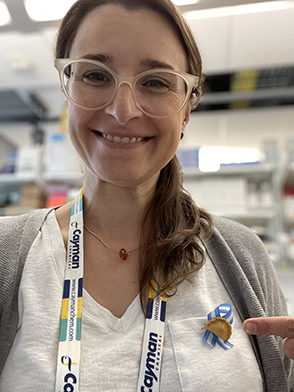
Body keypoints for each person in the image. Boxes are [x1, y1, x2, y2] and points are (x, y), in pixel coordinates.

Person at [0, 0, 293, 391]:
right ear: (67, 90)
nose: (123, 110)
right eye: (95, 75)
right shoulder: (7, 254)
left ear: (186, 111)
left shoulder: (241, 255)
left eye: (155, 81)